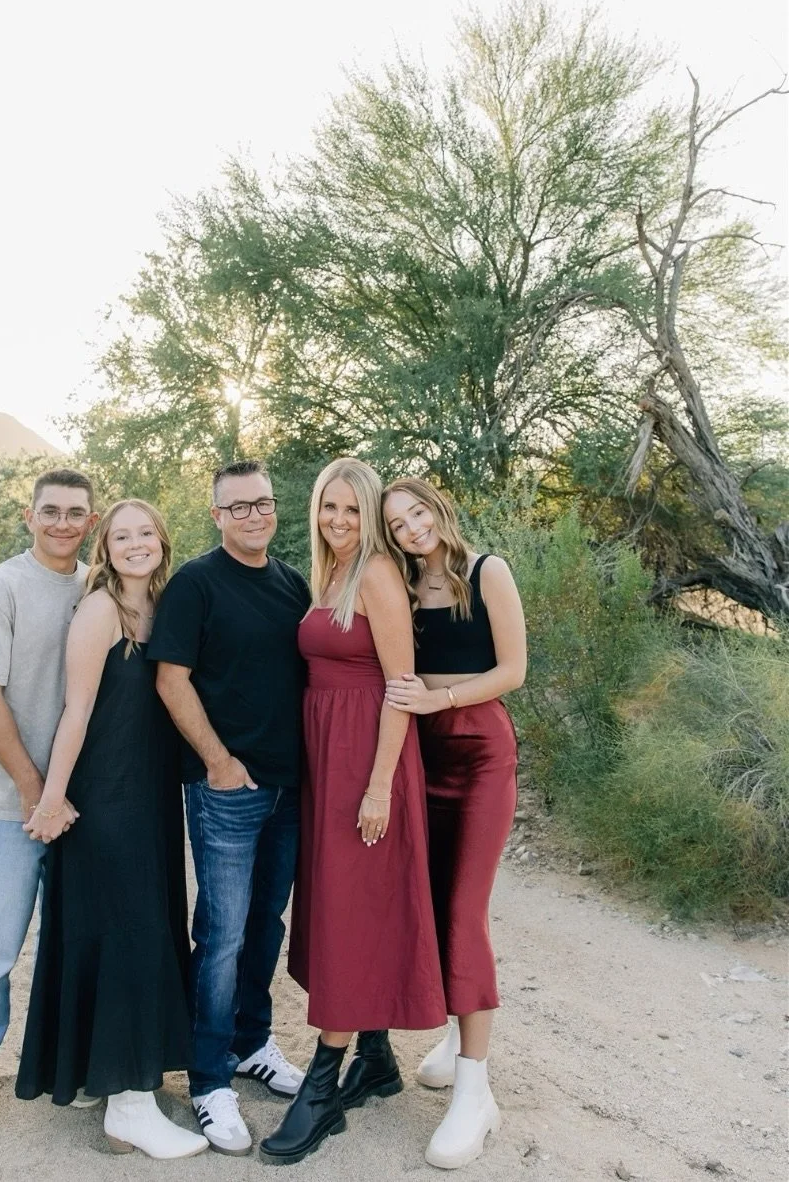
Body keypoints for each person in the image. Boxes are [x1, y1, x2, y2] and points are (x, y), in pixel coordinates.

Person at [261, 459, 446, 1167]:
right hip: (326, 758)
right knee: (347, 905)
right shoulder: (328, 573)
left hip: (370, 759)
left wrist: (379, 788)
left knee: (351, 911)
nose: (337, 520)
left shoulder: (375, 574)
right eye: (327, 507)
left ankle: (321, 1088)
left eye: (349, 510)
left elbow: (400, 687)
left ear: (368, 514)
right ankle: (375, 1058)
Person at [14, 499, 208, 1160]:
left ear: (163, 540)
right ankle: (129, 1104)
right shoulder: (101, 609)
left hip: (151, 796)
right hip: (106, 798)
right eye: (120, 535)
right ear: (105, 547)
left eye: (145, 533)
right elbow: (78, 709)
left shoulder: (163, 603)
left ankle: (112, 1074)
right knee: (130, 933)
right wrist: (53, 796)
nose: (134, 544)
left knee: (142, 924)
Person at [149, 460, 310, 1157]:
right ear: (216, 515)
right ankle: (209, 1078)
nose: (252, 515)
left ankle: (252, 1044)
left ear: (275, 510)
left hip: (288, 787)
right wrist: (217, 761)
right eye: (237, 507)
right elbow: (170, 678)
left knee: (265, 923)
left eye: (262, 503)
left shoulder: (291, 582)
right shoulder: (195, 583)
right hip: (224, 791)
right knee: (220, 936)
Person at [0, 468, 98, 1139]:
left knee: (79, 942)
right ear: (29, 517)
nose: (63, 523)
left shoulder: (98, 585)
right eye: (51, 511)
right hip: (18, 804)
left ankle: (81, 1065)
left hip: (82, 804)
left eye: (75, 513)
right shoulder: (0, 588)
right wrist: (39, 794)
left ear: (91, 521)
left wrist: (66, 795)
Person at [382, 477, 526, 1171]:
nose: (412, 528)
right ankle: (450, 1036)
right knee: (432, 906)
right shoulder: (402, 591)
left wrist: (441, 699)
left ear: (439, 508)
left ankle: (476, 1093)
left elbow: (515, 670)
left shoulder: (485, 570)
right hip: (419, 754)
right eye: (398, 522)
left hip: (478, 753)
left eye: (418, 512)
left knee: (465, 912)